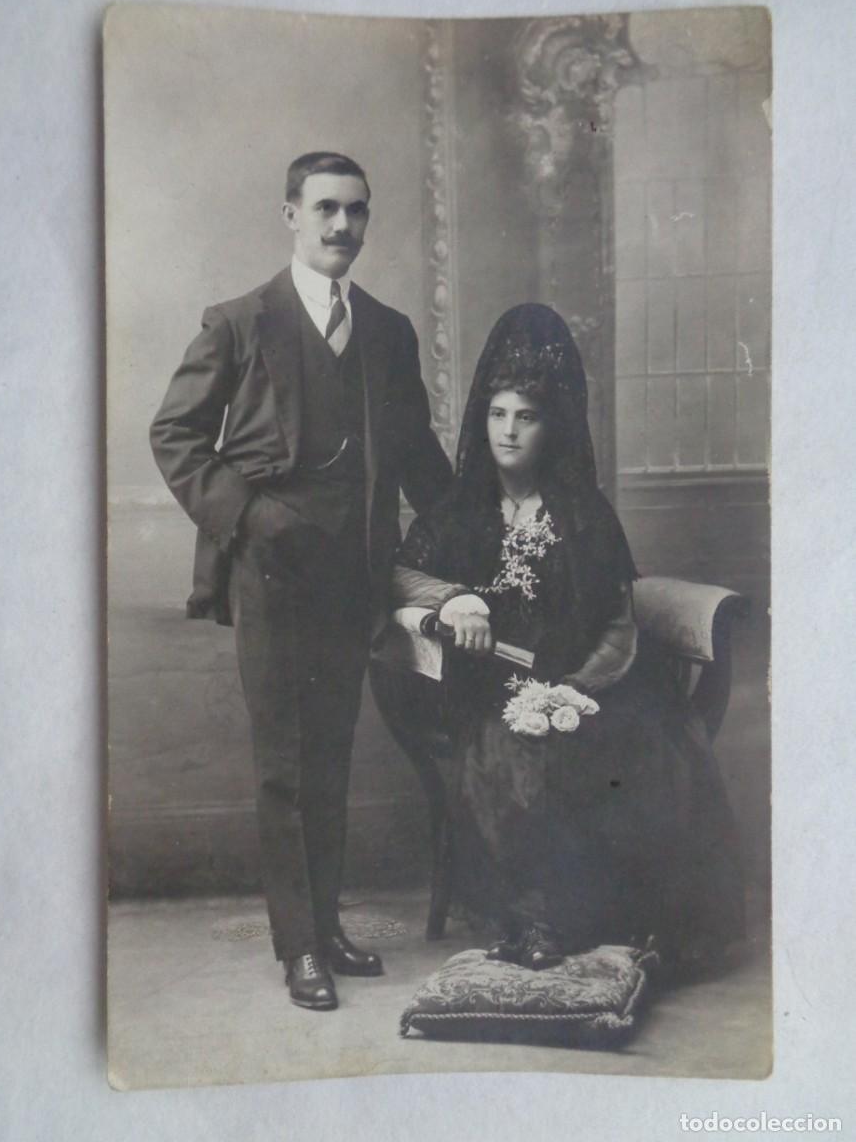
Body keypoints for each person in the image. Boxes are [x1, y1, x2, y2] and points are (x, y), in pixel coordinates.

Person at [150, 152, 452, 1010]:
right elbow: (174, 436)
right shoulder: (240, 323)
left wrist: (481, 533)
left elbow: (419, 459)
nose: (340, 228)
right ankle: (298, 952)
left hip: (353, 579)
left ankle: (327, 928)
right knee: (284, 766)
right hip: (272, 576)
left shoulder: (388, 331)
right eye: (324, 209)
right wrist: (251, 516)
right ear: (290, 214)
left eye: (356, 212)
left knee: (330, 759)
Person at [392, 303, 746, 975]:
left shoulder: (583, 512)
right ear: (482, 420)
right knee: (512, 756)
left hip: (590, 683)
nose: (509, 431)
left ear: (549, 426)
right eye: (498, 414)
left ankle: (632, 924)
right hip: (495, 690)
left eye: (526, 417)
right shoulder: (459, 513)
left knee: (643, 750)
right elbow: (402, 575)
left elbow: (616, 624)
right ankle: (543, 923)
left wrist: (576, 692)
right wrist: (453, 597)